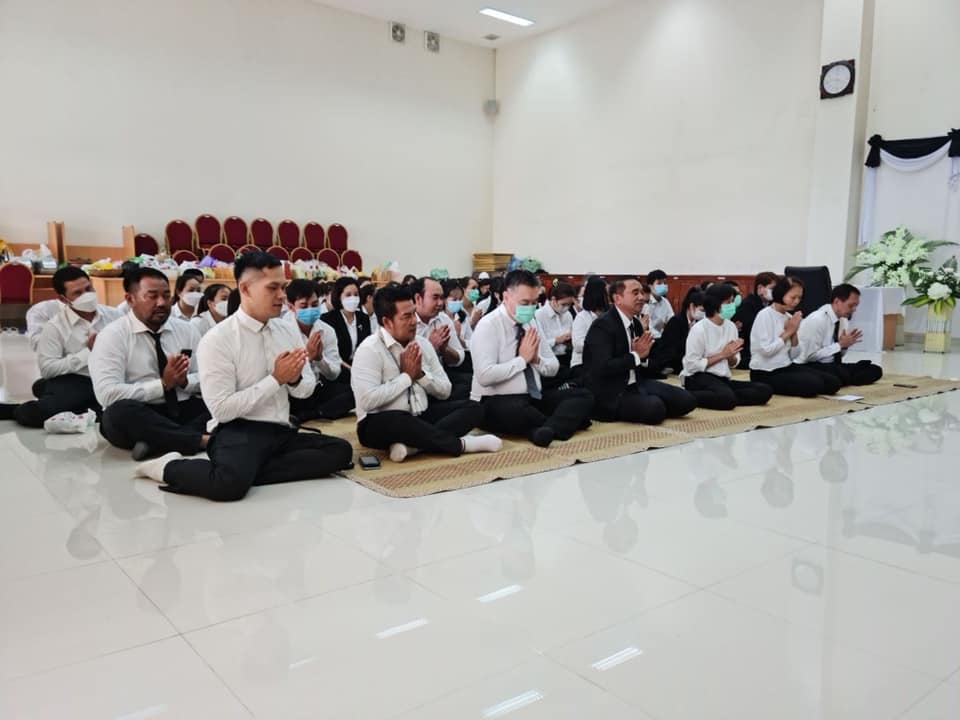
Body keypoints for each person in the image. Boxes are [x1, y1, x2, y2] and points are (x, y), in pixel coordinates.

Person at [133, 251, 354, 501]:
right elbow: (222, 410)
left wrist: (293, 379)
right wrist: (276, 380)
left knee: (340, 451)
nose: (282, 296)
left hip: (280, 428)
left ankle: (249, 469)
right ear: (246, 289)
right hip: (237, 430)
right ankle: (168, 466)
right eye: (272, 288)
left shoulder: (286, 330)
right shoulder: (218, 339)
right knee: (228, 485)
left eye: (283, 287)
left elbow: (306, 389)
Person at [351, 284, 501, 462]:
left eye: (413, 314)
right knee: (398, 420)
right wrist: (406, 378)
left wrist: (421, 376)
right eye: (406, 316)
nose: (414, 321)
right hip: (380, 422)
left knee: (474, 408)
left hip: (420, 415)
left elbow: (445, 390)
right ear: (387, 322)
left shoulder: (422, 343)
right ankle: (461, 444)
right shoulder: (369, 349)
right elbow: (367, 401)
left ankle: (413, 447)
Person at [89, 267, 211, 460]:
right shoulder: (112, 336)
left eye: (166, 296)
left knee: (221, 404)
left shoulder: (186, 330)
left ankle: (156, 442)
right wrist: (162, 385)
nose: (161, 303)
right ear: (130, 299)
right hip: (142, 410)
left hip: (183, 405)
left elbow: (207, 375)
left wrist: (185, 381)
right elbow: (107, 393)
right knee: (116, 415)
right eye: (152, 296)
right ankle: (201, 440)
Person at [470, 270, 594, 447]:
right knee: (516, 410)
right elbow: (484, 376)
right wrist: (522, 360)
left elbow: (553, 366)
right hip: (495, 401)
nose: (530, 308)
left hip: (532, 396)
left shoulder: (531, 322)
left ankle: (545, 428)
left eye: (534, 302)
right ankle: (554, 425)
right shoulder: (488, 325)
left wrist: (536, 360)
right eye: (525, 303)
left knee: (583, 396)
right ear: (506, 297)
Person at [0, 267, 121, 427]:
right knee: (32, 414)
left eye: (88, 289)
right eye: (78, 293)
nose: (87, 295)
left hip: (114, 377)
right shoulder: (55, 327)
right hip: (80, 380)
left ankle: (55, 394)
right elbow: (48, 369)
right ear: (63, 299)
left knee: (122, 401)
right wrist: (89, 353)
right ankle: (16, 409)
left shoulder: (114, 316)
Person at [583, 278, 697, 424]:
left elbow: (644, 359)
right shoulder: (602, 326)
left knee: (687, 400)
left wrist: (643, 357)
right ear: (617, 298)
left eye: (642, 293)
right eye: (635, 293)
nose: (642, 297)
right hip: (611, 391)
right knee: (655, 408)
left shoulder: (636, 324)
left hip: (636, 383)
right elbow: (603, 367)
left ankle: (651, 403)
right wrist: (636, 356)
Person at [681, 284, 773, 410]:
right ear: (715, 304)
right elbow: (691, 365)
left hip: (722, 378)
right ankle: (687, 395)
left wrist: (731, 356)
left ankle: (723, 396)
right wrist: (722, 355)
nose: (732, 305)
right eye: (728, 302)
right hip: (698, 376)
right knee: (726, 398)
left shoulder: (731, 326)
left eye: (732, 302)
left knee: (764, 390)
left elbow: (733, 363)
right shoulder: (699, 329)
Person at [749, 276, 841, 397]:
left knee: (833, 382)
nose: (796, 301)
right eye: (793, 297)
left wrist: (794, 332)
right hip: (766, 371)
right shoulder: (764, 315)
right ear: (780, 294)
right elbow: (766, 351)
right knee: (814, 384)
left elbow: (795, 355)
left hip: (786, 366)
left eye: (799, 298)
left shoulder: (789, 317)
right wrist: (788, 332)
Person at [284, 279, 355, 421]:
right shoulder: (282, 330)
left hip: (318, 386)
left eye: (315, 304)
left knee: (355, 391)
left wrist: (319, 359)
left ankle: (316, 413)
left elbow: (334, 373)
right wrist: (308, 358)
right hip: (291, 390)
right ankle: (317, 411)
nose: (310, 309)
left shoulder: (326, 331)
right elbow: (286, 373)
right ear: (291, 306)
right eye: (304, 306)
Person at [797, 283, 883, 386]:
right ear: (837, 301)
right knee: (839, 375)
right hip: (810, 365)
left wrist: (844, 346)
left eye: (856, 305)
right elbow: (808, 356)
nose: (854, 309)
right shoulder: (817, 319)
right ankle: (845, 378)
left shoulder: (843, 320)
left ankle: (846, 378)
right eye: (851, 305)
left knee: (875, 369)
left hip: (832, 365)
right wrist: (839, 345)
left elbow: (838, 355)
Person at [320, 276, 371, 378]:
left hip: (360, 368)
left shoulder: (363, 318)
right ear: (339, 296)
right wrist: (352, 370)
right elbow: (329, 354)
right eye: (348, 295)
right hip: (338, 370)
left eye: (356, 294)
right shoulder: (328, 319)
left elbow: (367, 347)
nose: (353, 298)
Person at [650, 287, 705, 376]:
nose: (704, 314)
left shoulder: (699, 323)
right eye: (702, 310)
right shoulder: (676, 322)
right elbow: (672, 352)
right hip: (673, 366)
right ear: (691, 306)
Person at [735, 271, 778, 369]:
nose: (774, 292)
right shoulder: (748, 304)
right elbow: (752, 331)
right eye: (772, 289)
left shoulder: (771, 304)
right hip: (749, 350)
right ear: (760, 288)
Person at [571, 276, 609, 372]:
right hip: (582, 364)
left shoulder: (609, 315)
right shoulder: (582, 317)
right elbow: (578, 345)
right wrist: (602, 343)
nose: (610, 297)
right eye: (606, 293)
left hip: (604, 362)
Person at [535, 282, 576, 366]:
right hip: (548, 360)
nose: (566, 308)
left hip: (566, 357)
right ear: (553, 300)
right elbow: (538, 345)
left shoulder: (567, 315)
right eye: (563, 304)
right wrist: (556, 340)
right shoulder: (539, 315)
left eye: (569, 305)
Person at [642, 269, 675, 338]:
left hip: (661, 336)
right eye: (659, 283)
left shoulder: (665, 301)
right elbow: (648, 327)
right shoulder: (645, 302)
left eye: (665, 283)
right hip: (648, 337)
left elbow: (672, 321)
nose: (663, 286)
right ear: (650, 286)